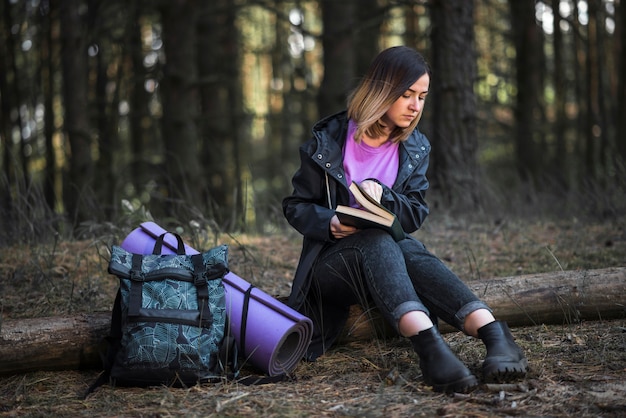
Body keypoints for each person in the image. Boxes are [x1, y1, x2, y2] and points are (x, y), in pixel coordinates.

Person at [282, 45, 527, 393]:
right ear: (381, 91)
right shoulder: (329, 141)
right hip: (331, 267)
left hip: (390, 259)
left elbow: (414, 213)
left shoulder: (414, 149)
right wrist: (330, 222)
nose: (415, 106)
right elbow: (296, 205)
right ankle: (429, 345)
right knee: (379, 239)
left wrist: (387, 198)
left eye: (422, 97)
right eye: (407, 95)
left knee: (400, 242)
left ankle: (493, 334)